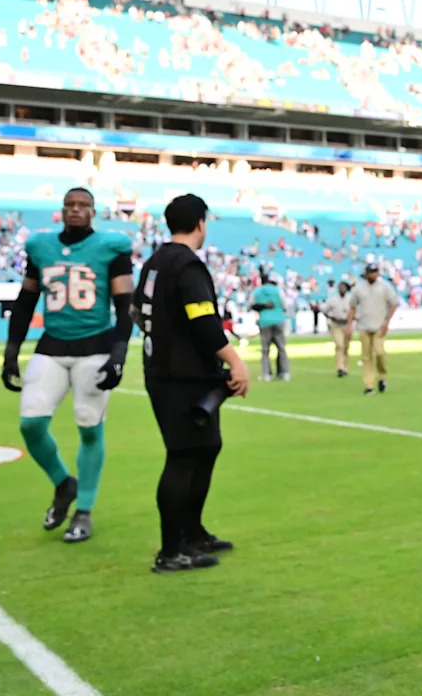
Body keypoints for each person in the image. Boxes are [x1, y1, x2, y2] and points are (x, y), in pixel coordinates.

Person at [0, 187, 134, 544]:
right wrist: (11, 352)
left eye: (83, 205)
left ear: (94, 211)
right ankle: (63, 483)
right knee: (31, 423)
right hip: (52, 345)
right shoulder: (40, 246)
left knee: (89, 426)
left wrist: (119, 354)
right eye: (70, 205)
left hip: (95, 347)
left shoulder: (111, 246)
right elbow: (26, 300)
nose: (75, 210)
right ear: (61, 210)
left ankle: (84, 510)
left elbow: (125, 304)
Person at [134, 194, 250, 572]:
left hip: (166, 371)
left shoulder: (154, 263)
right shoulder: (187, 265)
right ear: (201, 223)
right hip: (183, 377)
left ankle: (192, 533)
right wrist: (235, 361)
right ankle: (172, 550)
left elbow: (136, 311)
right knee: (183, 456)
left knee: (207, 448)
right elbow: (203, 321)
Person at [347, 263, 399, 395]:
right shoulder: (359, 288)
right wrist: (349, 326)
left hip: (379, 326)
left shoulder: (385, 287)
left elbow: (394, 303)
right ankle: (368, 385)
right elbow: (352, 307)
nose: (373, 274)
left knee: (380, 353)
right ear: (367, 274)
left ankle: (382, 376)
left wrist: (387, 322)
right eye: (371, 272)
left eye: (375, 272)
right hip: (363, 326)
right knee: (366, 357)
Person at [252, 274, 290, 382]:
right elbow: (285, 305)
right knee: (281, 348)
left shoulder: (257, 292)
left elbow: (252, 305)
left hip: (264, 321)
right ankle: (284, 372)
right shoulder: (278, 290)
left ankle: (266, 374)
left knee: (265, 349)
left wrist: (263, 306)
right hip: (278, 320)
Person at [321, 281, 353, 377]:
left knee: (346, 347)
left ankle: (345, 367)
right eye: (340, 287)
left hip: (347, 325)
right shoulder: (333, 300)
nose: (342, 289)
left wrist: (351, 319)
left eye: (343, 287)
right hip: (336, 325)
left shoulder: (351, 299)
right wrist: (332, 317)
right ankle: (340, 368)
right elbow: (325, 311)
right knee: (339, 345)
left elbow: (356, 311)